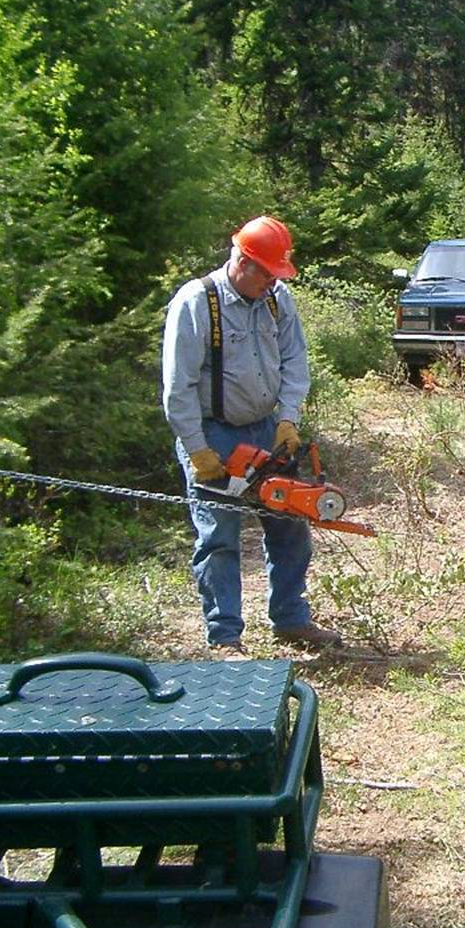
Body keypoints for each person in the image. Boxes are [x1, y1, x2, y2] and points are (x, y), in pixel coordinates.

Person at [162, 215, 342, 651]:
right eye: (267, 274)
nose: (272, 284)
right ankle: (225, 637)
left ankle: (291, 619)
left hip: (267, 429)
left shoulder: (277, 300)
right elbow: (177, 387)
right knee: (219, 537)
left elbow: (295, 362)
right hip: (214, 433)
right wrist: (198, 449)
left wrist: (288, 418)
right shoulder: (196, 302)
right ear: (242, 261)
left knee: (290, 524)